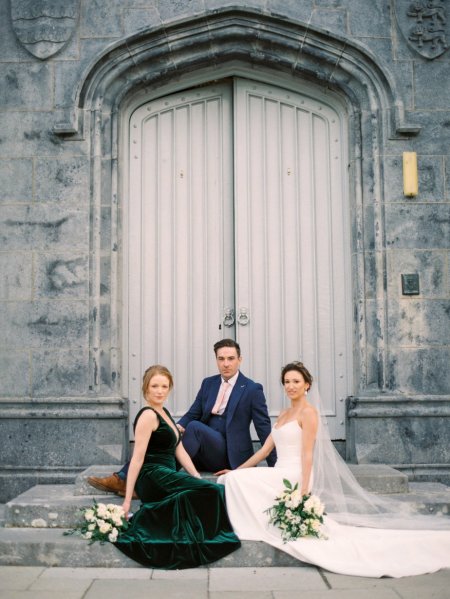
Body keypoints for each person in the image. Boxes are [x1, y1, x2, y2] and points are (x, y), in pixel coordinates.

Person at [216, 361, 450, 578]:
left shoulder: (309, 413)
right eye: (287, 382)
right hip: (279, 470)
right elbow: (264, 451)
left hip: (295, 474)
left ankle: (249, 526)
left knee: (238, 482)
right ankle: (252, 523)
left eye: (296, 381)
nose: (291, 386)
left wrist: (305, 489)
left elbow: (308, 454)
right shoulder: (284, 414)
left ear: (307, 385)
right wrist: (235, 469)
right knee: (233, 479)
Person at [88, 338, 276, 495]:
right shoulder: (209, 383)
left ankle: (128, 480)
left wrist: (276, 468)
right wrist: (174, 429)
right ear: (216, 360)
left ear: (239, 360)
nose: (226, 363)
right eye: (221, 359)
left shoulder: (252, 389)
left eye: (231, 358)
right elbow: (193, 412)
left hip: (229, 454)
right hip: (203, 449)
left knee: (194, 428)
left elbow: (264, 428)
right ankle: (126, 478)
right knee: (169, 433)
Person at [113, 364, 241, 569]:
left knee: (208, 489)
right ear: (146, 388)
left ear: (169, 388)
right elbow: (137, 459)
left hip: (166, 473)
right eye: (155, 386)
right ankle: (208, 535)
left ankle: (195, 530)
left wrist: (196, 476)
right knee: (214, 490)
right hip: (152, 475)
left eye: (164, 386)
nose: (159, 391)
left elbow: (179, 450)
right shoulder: (148, 415)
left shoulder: (164, 412)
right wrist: (128, 500)